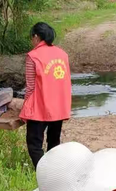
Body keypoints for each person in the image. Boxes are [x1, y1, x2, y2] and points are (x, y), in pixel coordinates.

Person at [20, 22, 72, 169]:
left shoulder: (33, 56)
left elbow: (30, 87)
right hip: (59, 106)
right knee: (54, 142)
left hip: (40, 107)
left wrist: (25, 108)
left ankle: (43, 173)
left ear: (36, 37)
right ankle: (54, 170)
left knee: (34, 144)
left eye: (32, 37)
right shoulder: (63, 54)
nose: (32, 41)